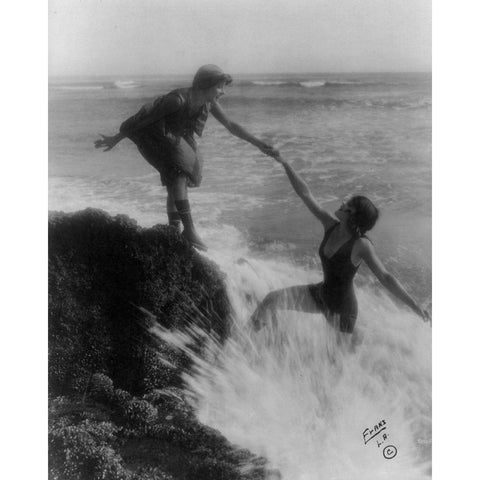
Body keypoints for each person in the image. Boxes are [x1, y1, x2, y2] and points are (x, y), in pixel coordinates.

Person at [94, 64, 278, 251]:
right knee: (180, 172)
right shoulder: (177, 100)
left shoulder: (209, 102)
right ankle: (189, 230)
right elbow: (143, 119)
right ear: (205, 85)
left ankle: (174, 228)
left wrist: (259, 144)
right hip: (155, 135)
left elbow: (231, 125)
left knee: (184, 173)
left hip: (178, 136)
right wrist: (115, 139)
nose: (223, 92)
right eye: (219, 87)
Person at [250, 153, 430, 335]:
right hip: (320, 295)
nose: (343, 202)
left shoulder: (361, 245)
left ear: (353, 216)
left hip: (342, 312)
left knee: (337, 363)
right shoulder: (330, 225)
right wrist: (285, 162)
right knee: (272, 299)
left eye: (348, 204)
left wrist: (416, 307)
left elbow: (385, 277)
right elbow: (305, 194)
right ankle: (250, 341)